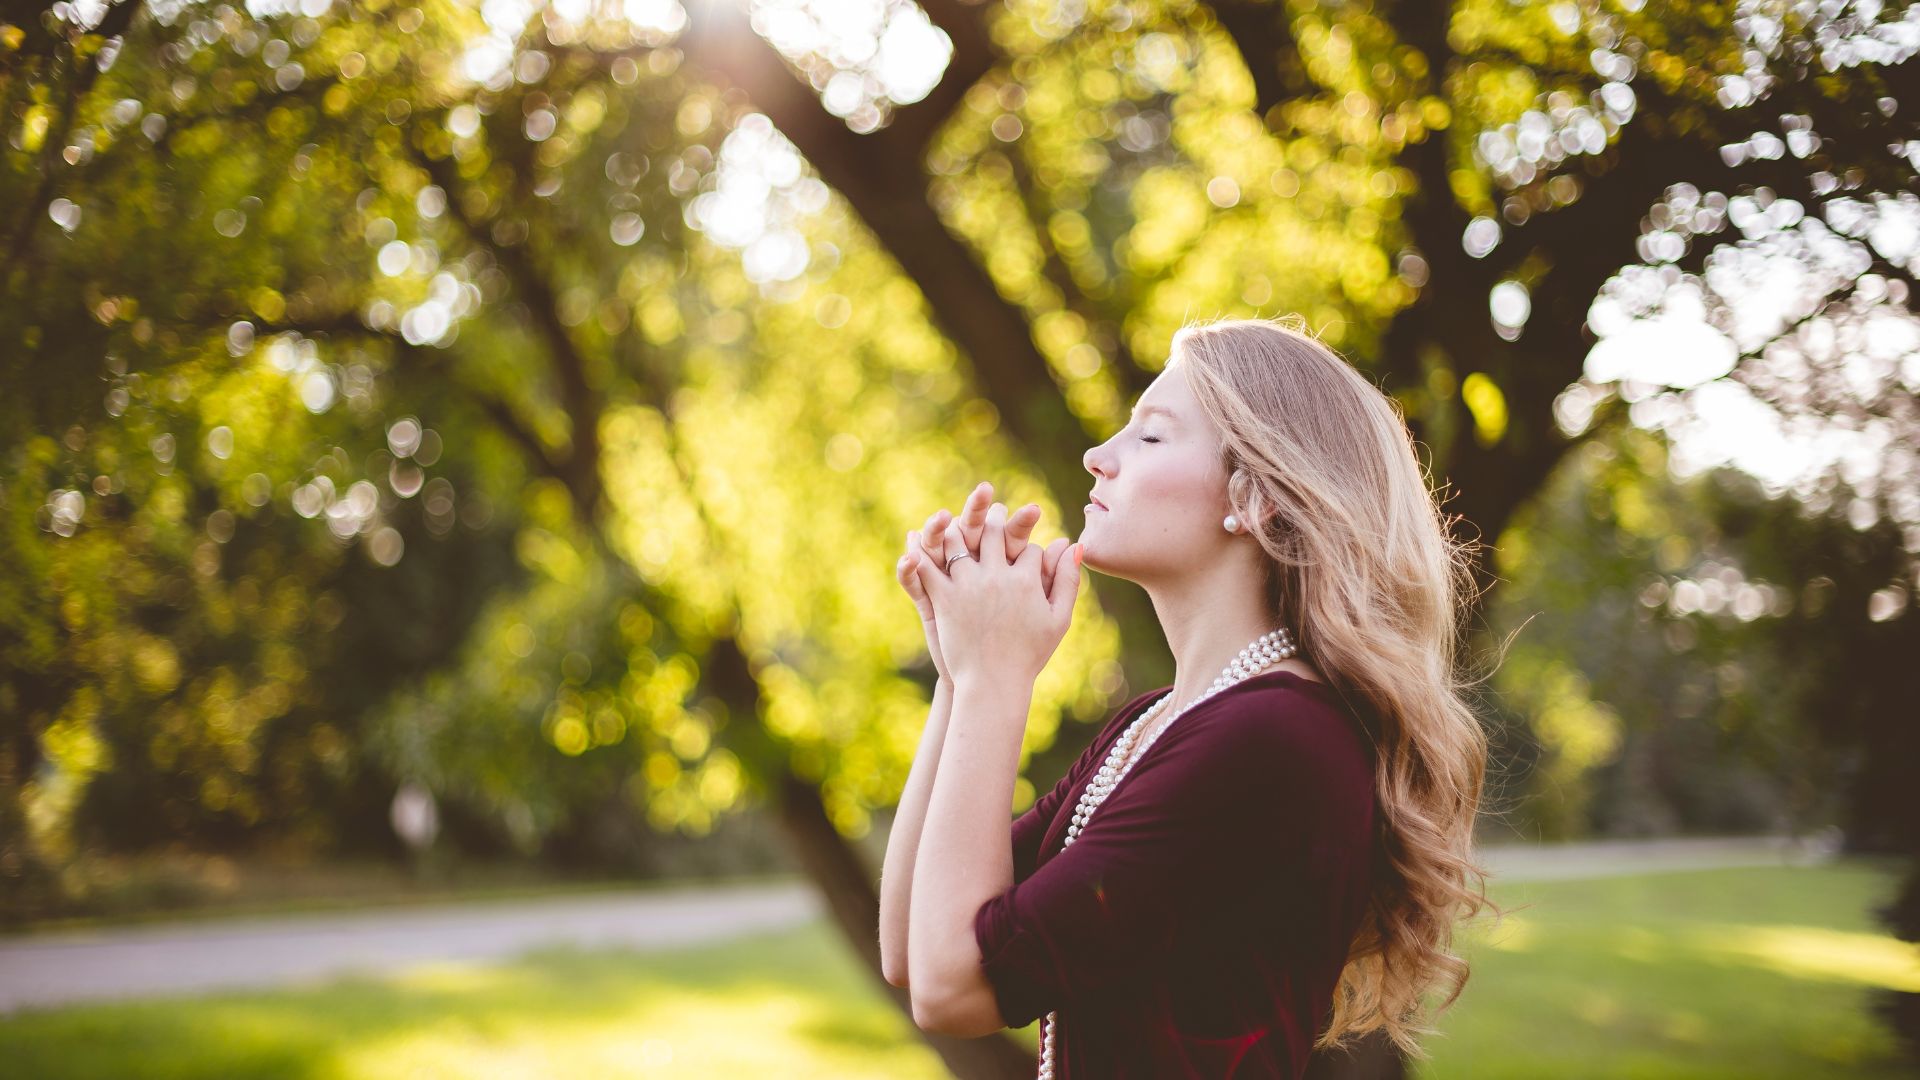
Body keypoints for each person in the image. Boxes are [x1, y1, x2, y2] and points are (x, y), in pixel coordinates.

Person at [877, 316, 1500, 1078]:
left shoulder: (1271, 738)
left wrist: (995, 680)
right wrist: (958, 670)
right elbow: (911, 947)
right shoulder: (1156, 724)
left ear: (1260, 498)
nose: (1098, 456)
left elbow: (955, 988)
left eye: (1150, 437)